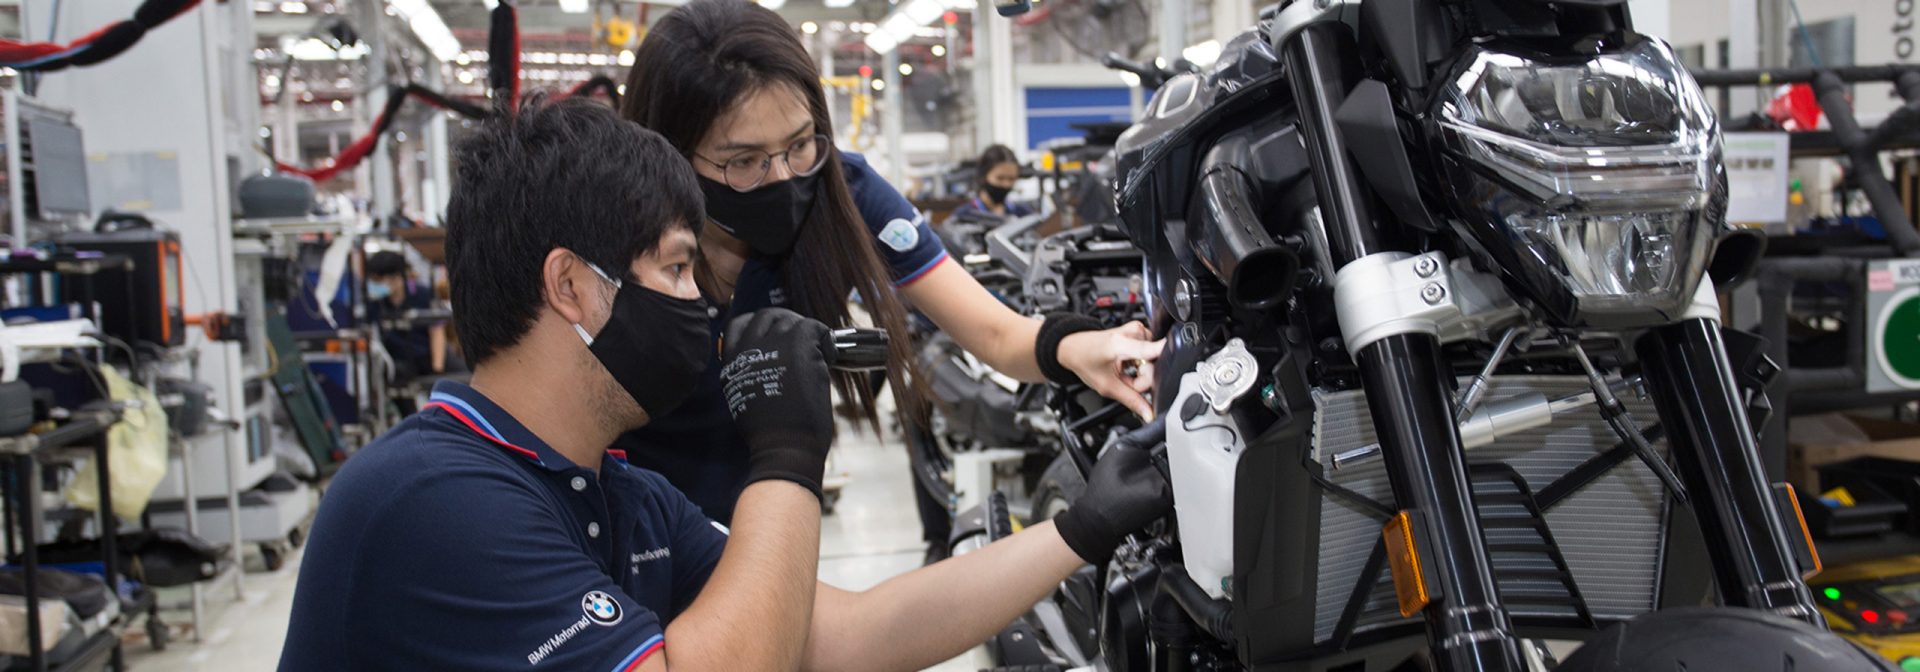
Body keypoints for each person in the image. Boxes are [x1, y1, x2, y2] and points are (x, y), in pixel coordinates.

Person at [277, 96, 1171, 672]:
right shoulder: (430, 498)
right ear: (573, 287)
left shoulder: (622, 497)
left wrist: (1082, 529)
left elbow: (853, 636)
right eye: (674, 268)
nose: (701, 298)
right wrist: (786, 451)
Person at [617, 0, 1164, 527]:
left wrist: (1082, 347)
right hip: (623, 529)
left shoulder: (842, 192)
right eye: (744, 161)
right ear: (670, 151)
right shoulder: (616, 231)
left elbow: (997, 334)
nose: (785, 178)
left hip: (759, 531)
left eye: (800, 143)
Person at [364, 250, 453, 415]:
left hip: (428, 358)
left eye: (378, 280)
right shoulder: (376, 304)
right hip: (399, 364)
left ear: (396, 277)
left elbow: (436, 332)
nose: (374, 285)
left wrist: (437, 371)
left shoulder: (422, 294)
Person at [950, 144, 1033, 220]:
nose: (1006, 184)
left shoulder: (1022, 214)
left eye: (1011, 179)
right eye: (1000, 178)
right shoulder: (965, 215)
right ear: (983, 176)